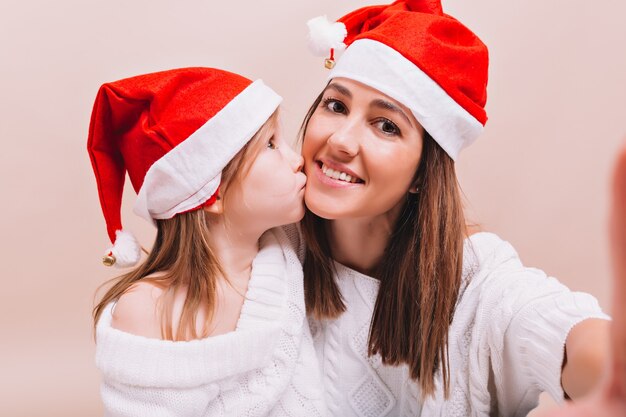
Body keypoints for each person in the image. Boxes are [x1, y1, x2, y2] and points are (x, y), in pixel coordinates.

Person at [296, 1, 624, 415]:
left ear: (422, 174)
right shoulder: (267, 246)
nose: (342, 140)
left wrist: (611, 368)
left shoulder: (477, 283)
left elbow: (557, 328)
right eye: (336, 105)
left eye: (387, 125)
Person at [88, 67, 326, 416]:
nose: (296, 160)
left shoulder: (291, 249)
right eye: (271, 145)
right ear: (210, 193)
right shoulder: (148, 310)